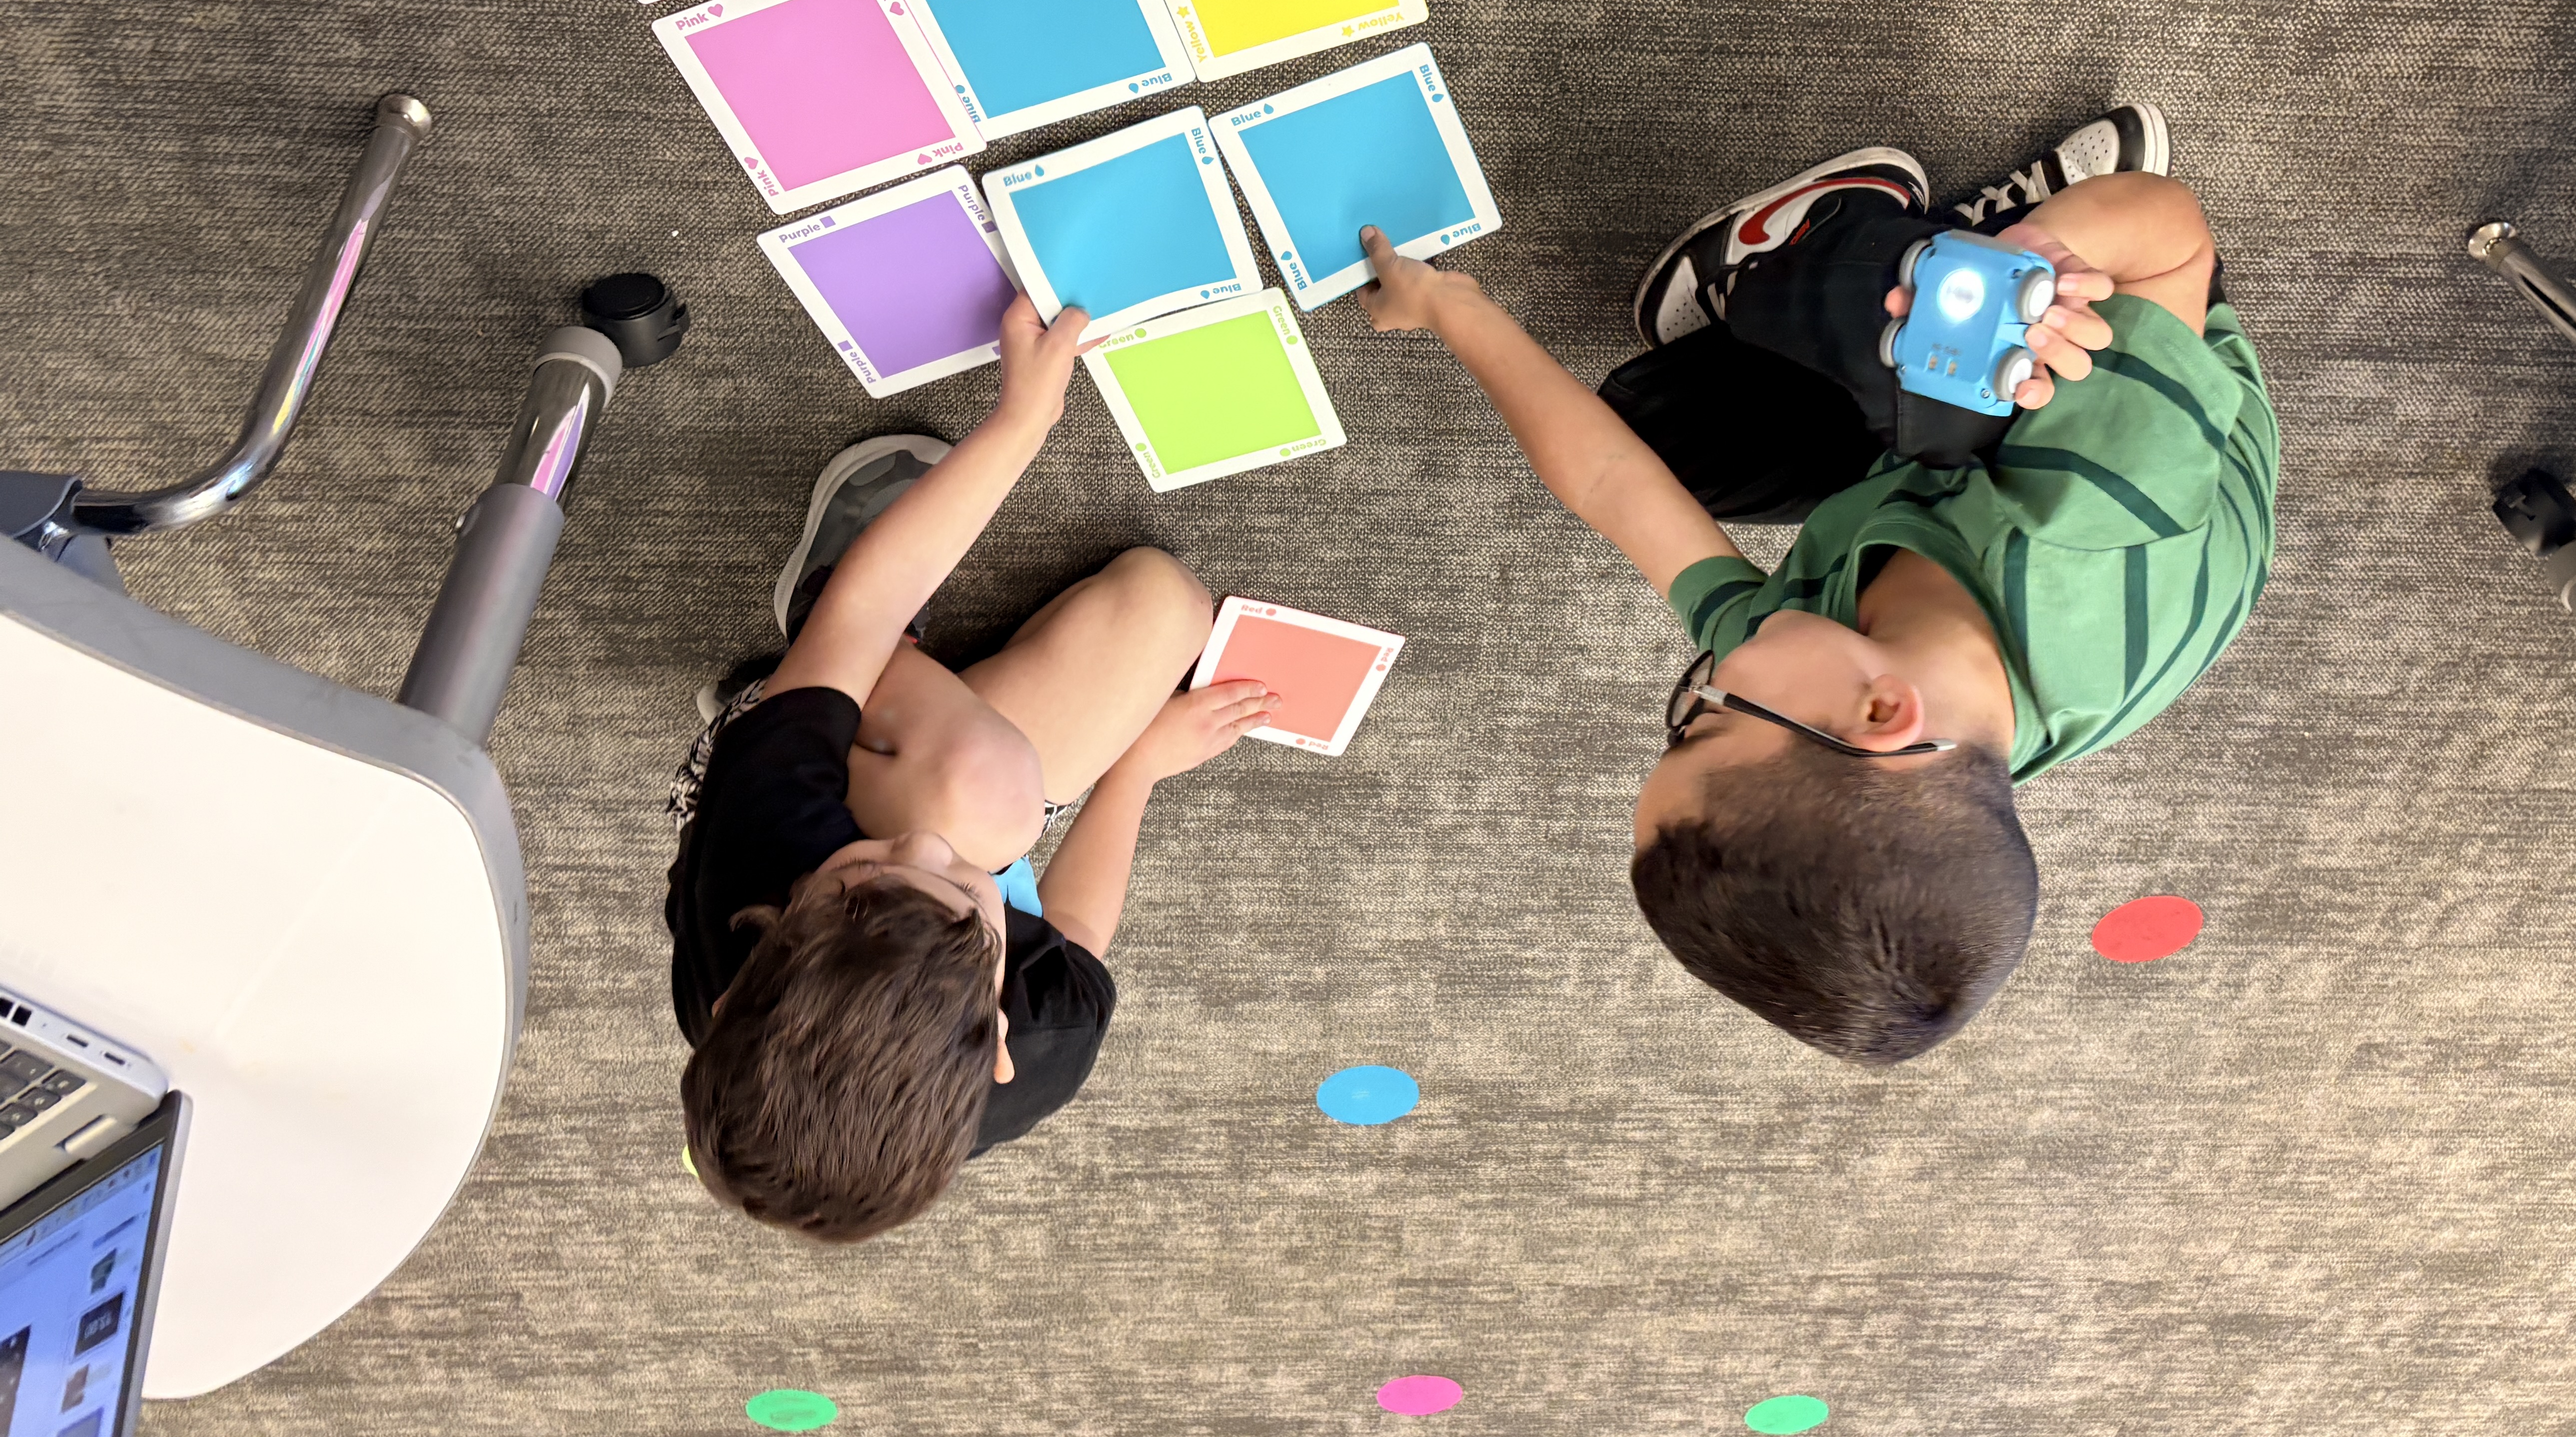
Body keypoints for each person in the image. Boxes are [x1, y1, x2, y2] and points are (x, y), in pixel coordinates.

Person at [1354, 106, 2275, 1064]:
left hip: (1937, 493)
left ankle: (1944, 276)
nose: (1702, 682)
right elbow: (2174, 235)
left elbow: (1611, 485)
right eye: (1702, 723)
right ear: (1883, 714)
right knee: (1913, 329)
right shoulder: (2099, 519)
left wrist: (1452, 308)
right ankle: (1939, 239)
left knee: (1656, 431)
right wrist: (2047, 255)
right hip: (2119, 366)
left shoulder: (1872, 726)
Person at [664, 292, 1273, 1241]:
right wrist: (1139, 769)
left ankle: (804, 672)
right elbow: (1071, 935)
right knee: (1168, 609)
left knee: (965, 776)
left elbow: (862, 616)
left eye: (866, 872)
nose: (919, 844)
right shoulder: (1038, 1059)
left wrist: (1022, 420)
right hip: (944, 828)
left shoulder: (751, 867)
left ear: (750, 968)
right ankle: (905, 738)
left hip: (770, 777)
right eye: (960, 891)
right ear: (999, 1041)